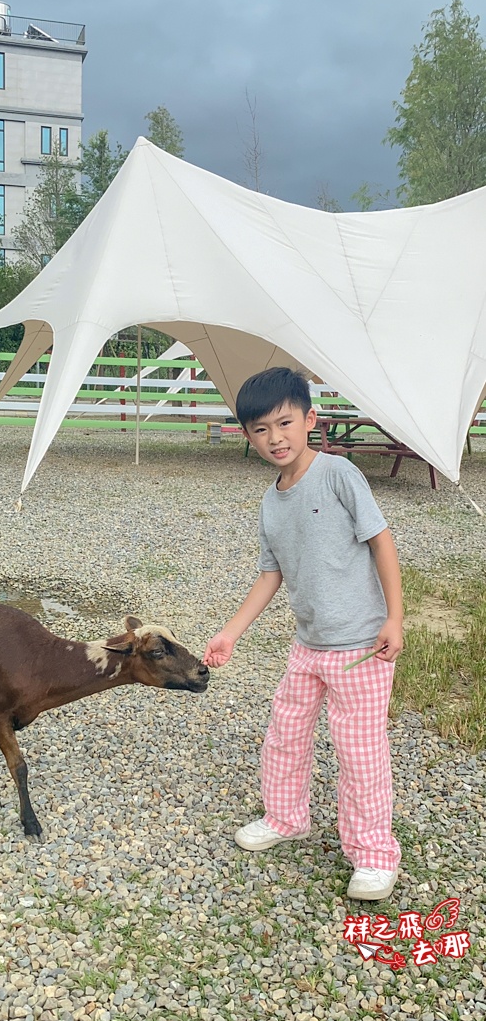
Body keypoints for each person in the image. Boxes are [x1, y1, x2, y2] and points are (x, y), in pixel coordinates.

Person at [203, 368, 404, 901]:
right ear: (246, 435)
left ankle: (374, 854)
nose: (275, 438)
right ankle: (286, 816)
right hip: (307, 647)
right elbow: (272, 573)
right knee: (284, 737)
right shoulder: (271, 501)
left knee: (359, 753)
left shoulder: (338, 474)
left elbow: (382, 542)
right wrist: (231, 633)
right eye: (260, 429)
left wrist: (395, 618)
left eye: (285, 423)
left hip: (361, 648)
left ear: (309, 419)